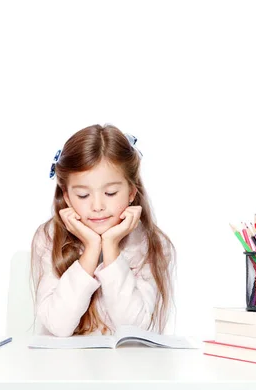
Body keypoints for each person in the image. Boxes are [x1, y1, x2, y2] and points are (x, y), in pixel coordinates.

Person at [30, 124, 176, 337]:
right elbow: (58, 326)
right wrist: (90, 249)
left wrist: (111, 248)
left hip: (128, 368)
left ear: (131, 192)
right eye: (82, 195)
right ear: (67, 197)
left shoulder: (150, 244)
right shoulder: (49, 238)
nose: (97, 206)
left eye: (110, 193)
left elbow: (134, 329)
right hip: (64, 368)